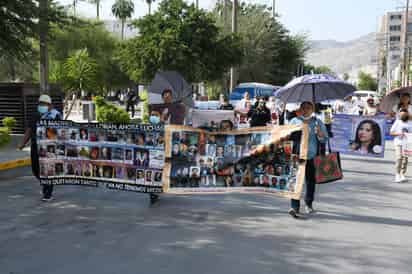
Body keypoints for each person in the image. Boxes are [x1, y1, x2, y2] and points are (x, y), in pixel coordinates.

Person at [18, 94, 62, 202]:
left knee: (47, 170)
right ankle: (45, 182)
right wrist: (23, 143)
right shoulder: (35, 115)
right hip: (35, 146)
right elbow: (29, 130)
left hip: (49, 147)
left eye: (43, 104)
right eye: (40, 103)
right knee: (36, 169)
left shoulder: (55, 115)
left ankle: (47, 193)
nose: (41, 105)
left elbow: (61, 131)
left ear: (49, 104)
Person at [288, 101, 328, 218]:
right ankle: (294, 207)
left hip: (312, 155)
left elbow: (324, 139)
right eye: (304, 108)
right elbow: (287, 136)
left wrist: (319, 133)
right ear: (300, 109)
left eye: (308, 108)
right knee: (295, 182)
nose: (306, 110)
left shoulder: (317, 122)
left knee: (310, 182)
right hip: (297, 156)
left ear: (312, 110)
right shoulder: (294, 121)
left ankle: (308, 203)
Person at [390, 108, 412, 183]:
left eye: (404, 114)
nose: (402, 116)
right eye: (401, 114)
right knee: (399, 157)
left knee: (405, 160)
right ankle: (397, 174)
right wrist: (399, 134)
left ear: (407, 114)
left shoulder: (410, 123)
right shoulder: (397, 122)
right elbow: (391, 132)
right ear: (399, 115)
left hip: (407, 144)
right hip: (398, 142)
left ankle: (402, 174)